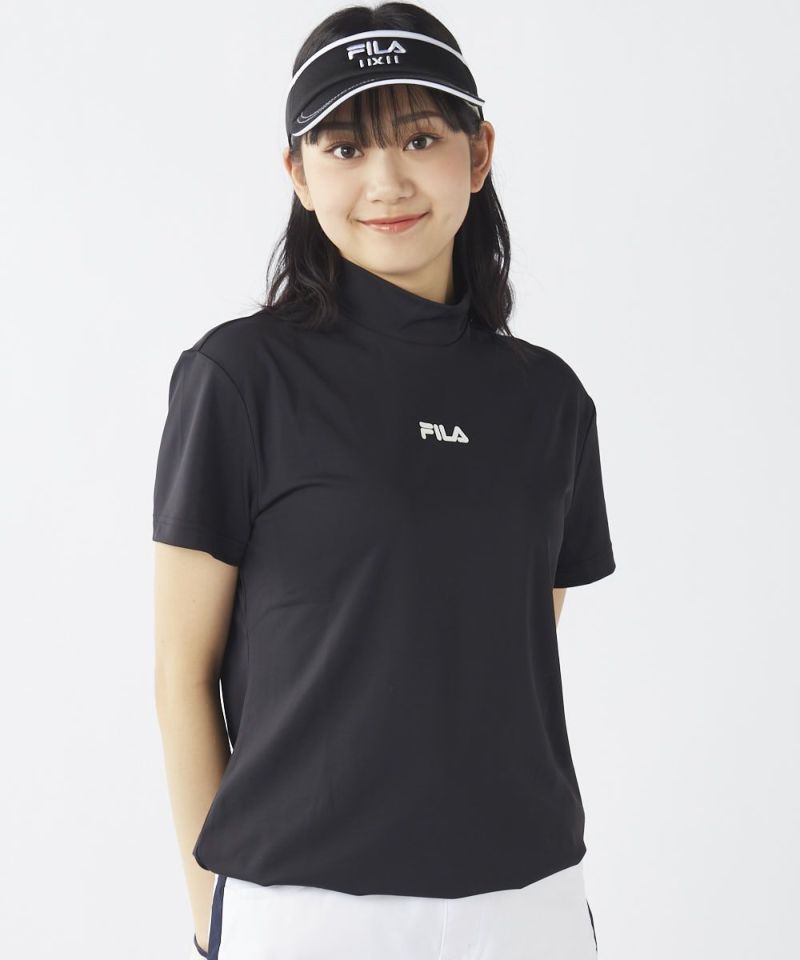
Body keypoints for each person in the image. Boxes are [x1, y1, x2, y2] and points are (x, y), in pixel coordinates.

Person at [153, 4, 615, 959]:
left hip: (526, 902)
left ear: (478, 154)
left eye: (419, 138)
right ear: (298, 173)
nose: (387, 181)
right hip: (306, 906)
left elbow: (509, 642)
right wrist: (214, 911)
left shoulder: (548, 400)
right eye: (345, 148)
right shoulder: (240, 379)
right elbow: (180, 673)